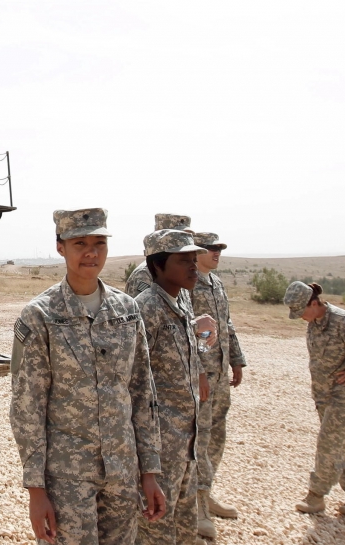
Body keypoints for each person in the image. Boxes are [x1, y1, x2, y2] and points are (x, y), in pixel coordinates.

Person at [11, 208, 166, 545]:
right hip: (67, 477)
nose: (91, 252)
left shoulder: (127, 310)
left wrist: (150, 471)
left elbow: (143, 392)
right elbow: (28, 406)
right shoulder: (40, 315)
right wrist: (36, 491)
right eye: (80, 242)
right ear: (60, 247)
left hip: (123, 473)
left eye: (99, 242)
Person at [134, 230, 216, 545]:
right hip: (161, 443)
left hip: (187, 438)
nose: (194, 267)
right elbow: (134, 379)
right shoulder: (146, 308)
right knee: (155, 526)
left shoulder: (181, 299)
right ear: (157, 265)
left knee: (185, 523)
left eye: (195, 260)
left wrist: (201, 371)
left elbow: (187, 349)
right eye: (184, 261)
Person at [284, 281, 345, 517]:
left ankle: (316, 496)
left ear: (314, 302)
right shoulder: (316, 322)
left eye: (302, 311)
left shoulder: (343, 322)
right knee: (342, 445)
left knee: (329, 445)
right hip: (325, 396)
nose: (301, 318)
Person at [190, 232, 246, 536]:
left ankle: (207, 493)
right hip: (200, 376)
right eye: (210, 249)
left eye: (219, 248)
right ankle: (196, 506)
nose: (217, 253)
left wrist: (236, 359)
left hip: (220, 374)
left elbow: (227, 324)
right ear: (195, 252)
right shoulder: (187, 282)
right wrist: (196, 370)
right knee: (198, 437)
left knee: (216, 436)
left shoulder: (217, 283)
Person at [123, 214, 192, 297]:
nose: (185, 240)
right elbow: (141, 307)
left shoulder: (181, 274)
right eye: (179, 236)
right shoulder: (145, 274)